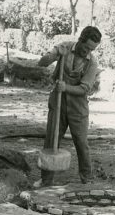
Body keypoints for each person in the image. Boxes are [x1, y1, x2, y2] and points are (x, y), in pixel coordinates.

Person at [37, 26, 102, 186]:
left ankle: (87, 179)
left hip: (78, 107)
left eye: (91, 49)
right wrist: (55, 54)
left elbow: (84, 88)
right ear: (80, 40)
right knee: (52, 140)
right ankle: (46, 180)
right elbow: (42, 63)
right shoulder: (65, 47)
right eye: (86, 47)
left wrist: (65, 87)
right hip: (58, 101)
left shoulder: (92, 62)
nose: (87, 51)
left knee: (81, 143)